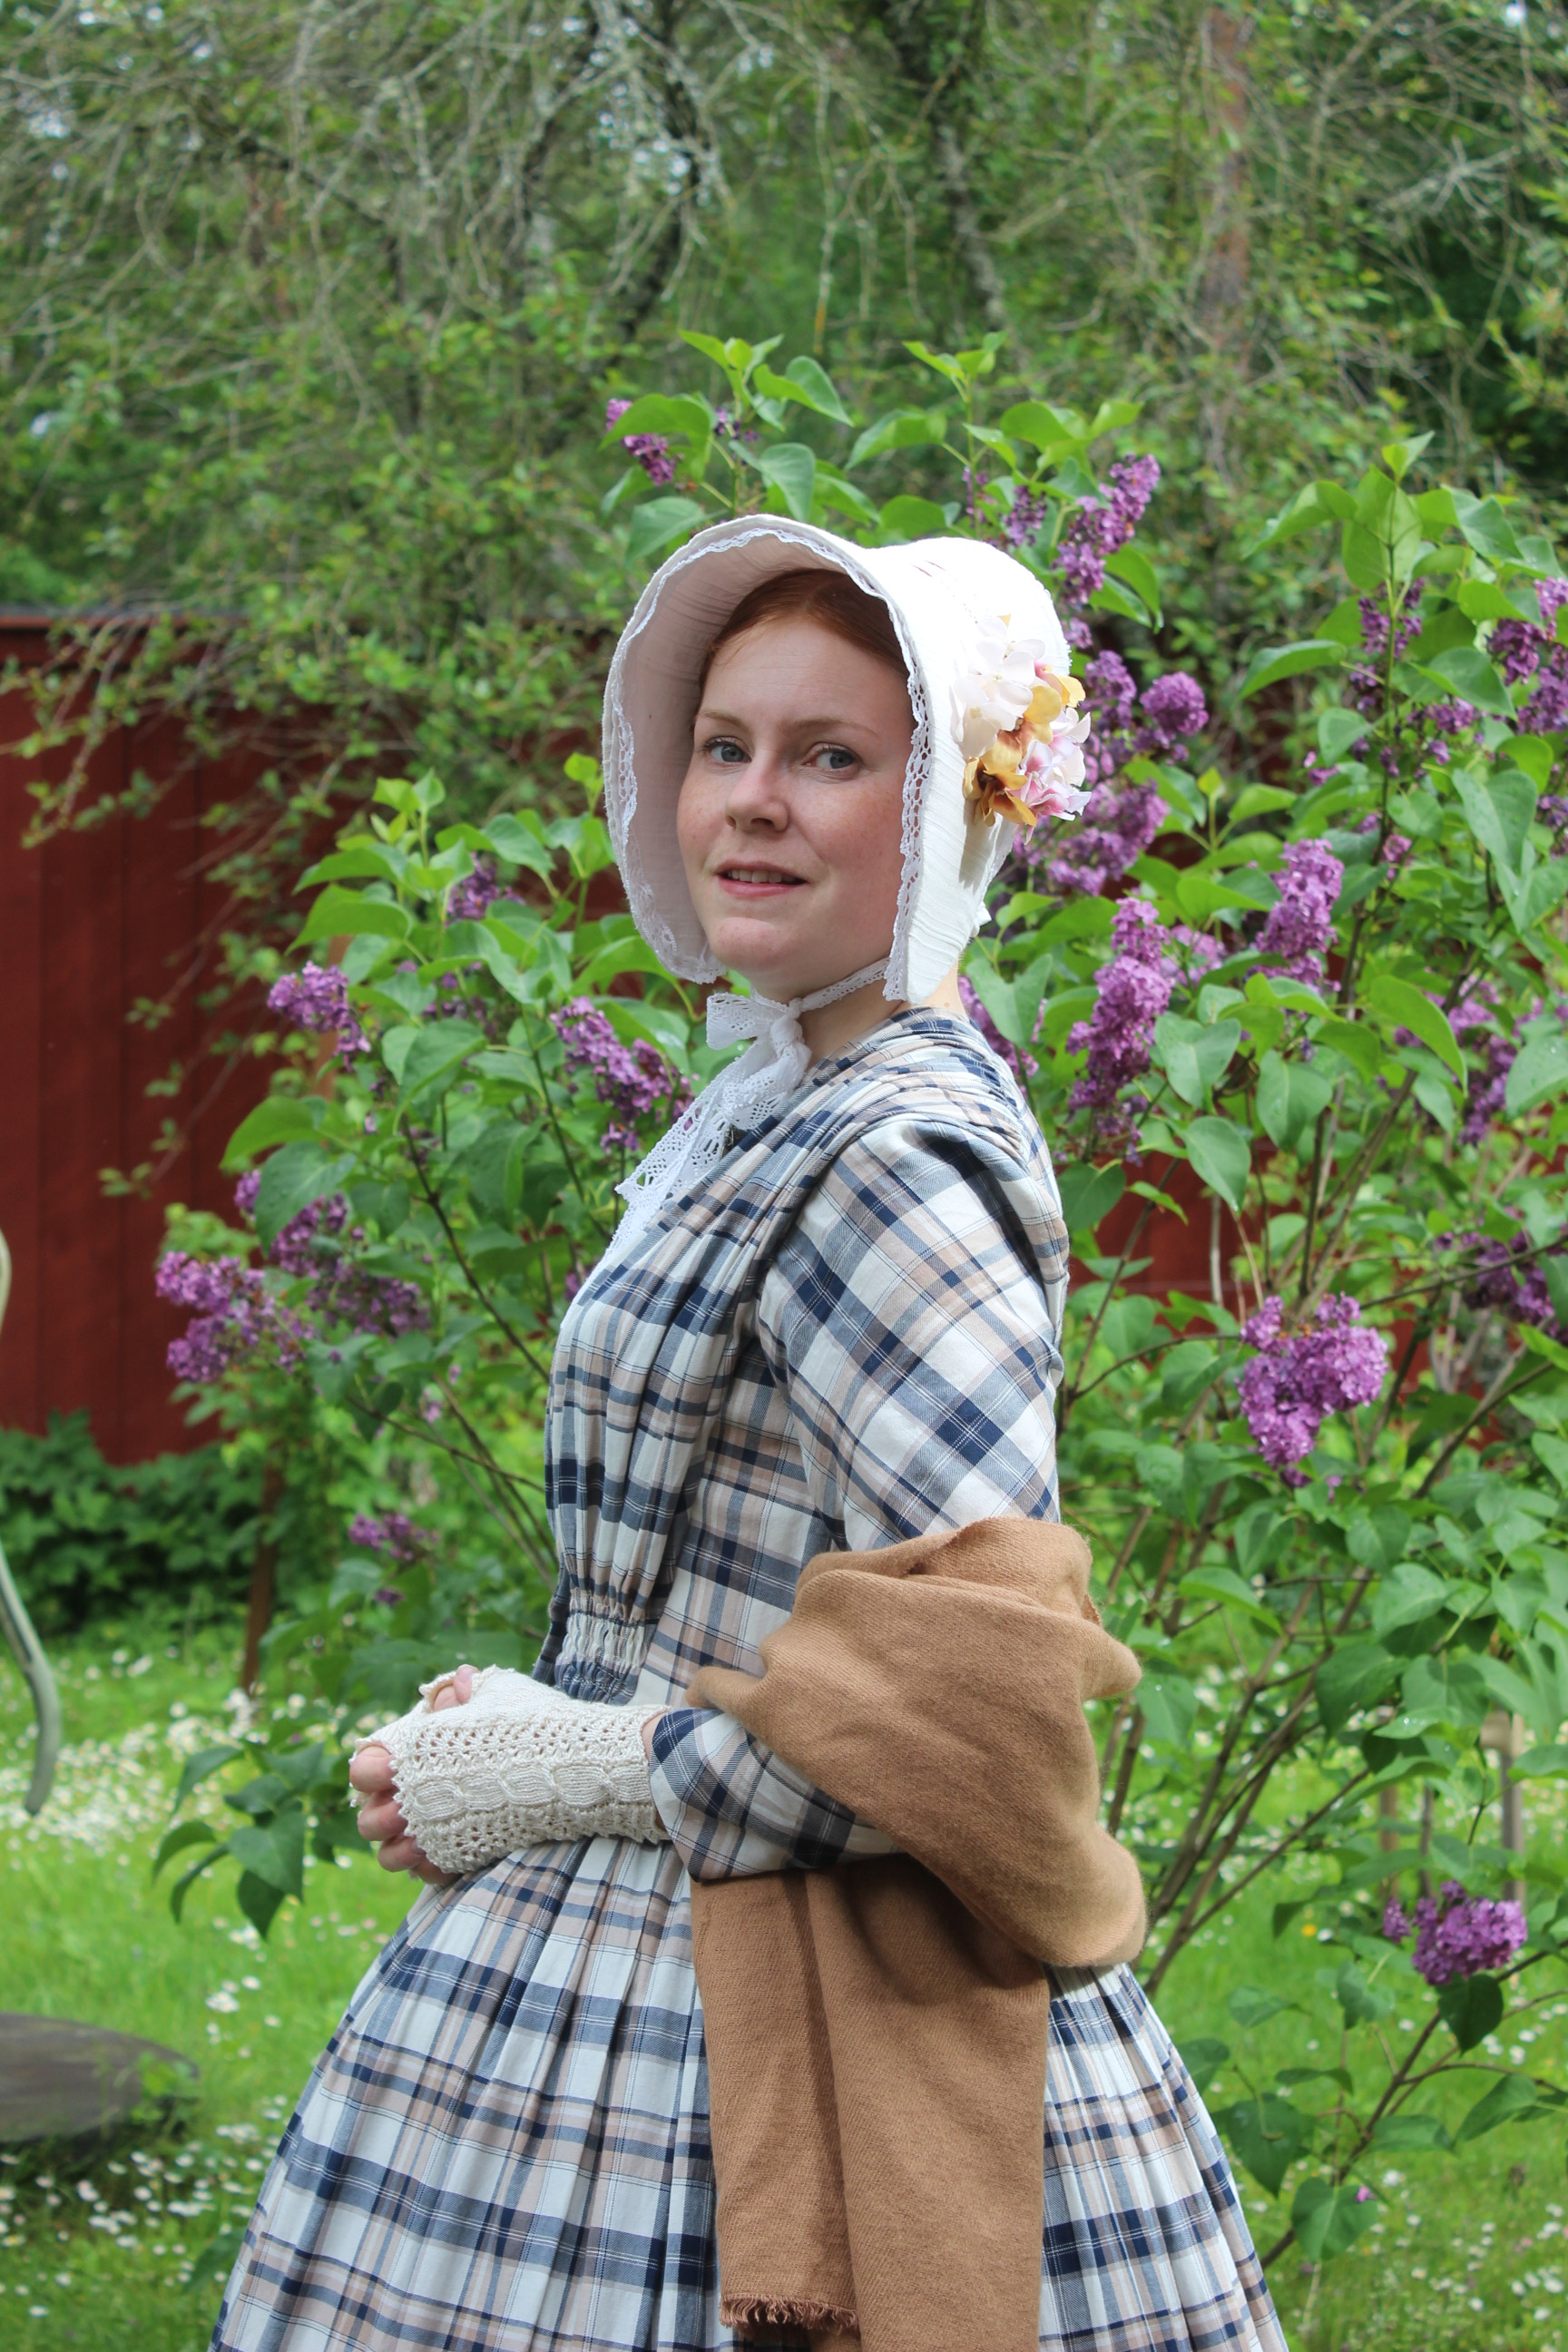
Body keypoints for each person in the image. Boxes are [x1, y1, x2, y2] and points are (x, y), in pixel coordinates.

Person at [212, 519, 1287, 2352]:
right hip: (633, 1962)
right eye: (725, 746)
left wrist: (572, 1763)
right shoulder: (782, 1098)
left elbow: (969, 1726)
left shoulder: (899, 1157)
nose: (752, 801)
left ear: (952, 812)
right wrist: (562, 1711)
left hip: (771, 2005)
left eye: (831, 755)